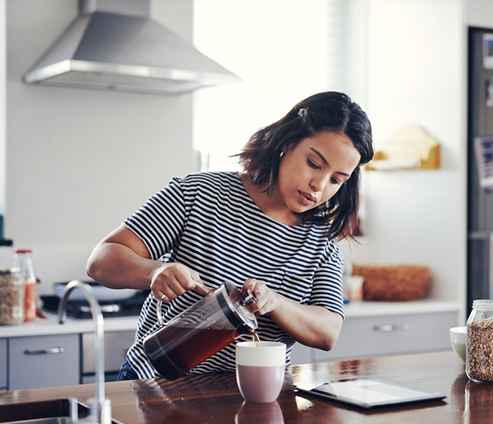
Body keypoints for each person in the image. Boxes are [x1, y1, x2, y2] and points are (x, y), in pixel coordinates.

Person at [86, 91, 373, 380]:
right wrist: (154, 271)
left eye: (336, 180)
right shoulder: (200, 193)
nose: (318, 186)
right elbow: (102, 260)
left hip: (255, 393)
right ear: (287, 143)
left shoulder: (323, 239)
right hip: (156, 383)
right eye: (313, 163)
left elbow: (327, 331)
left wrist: (274, 302)